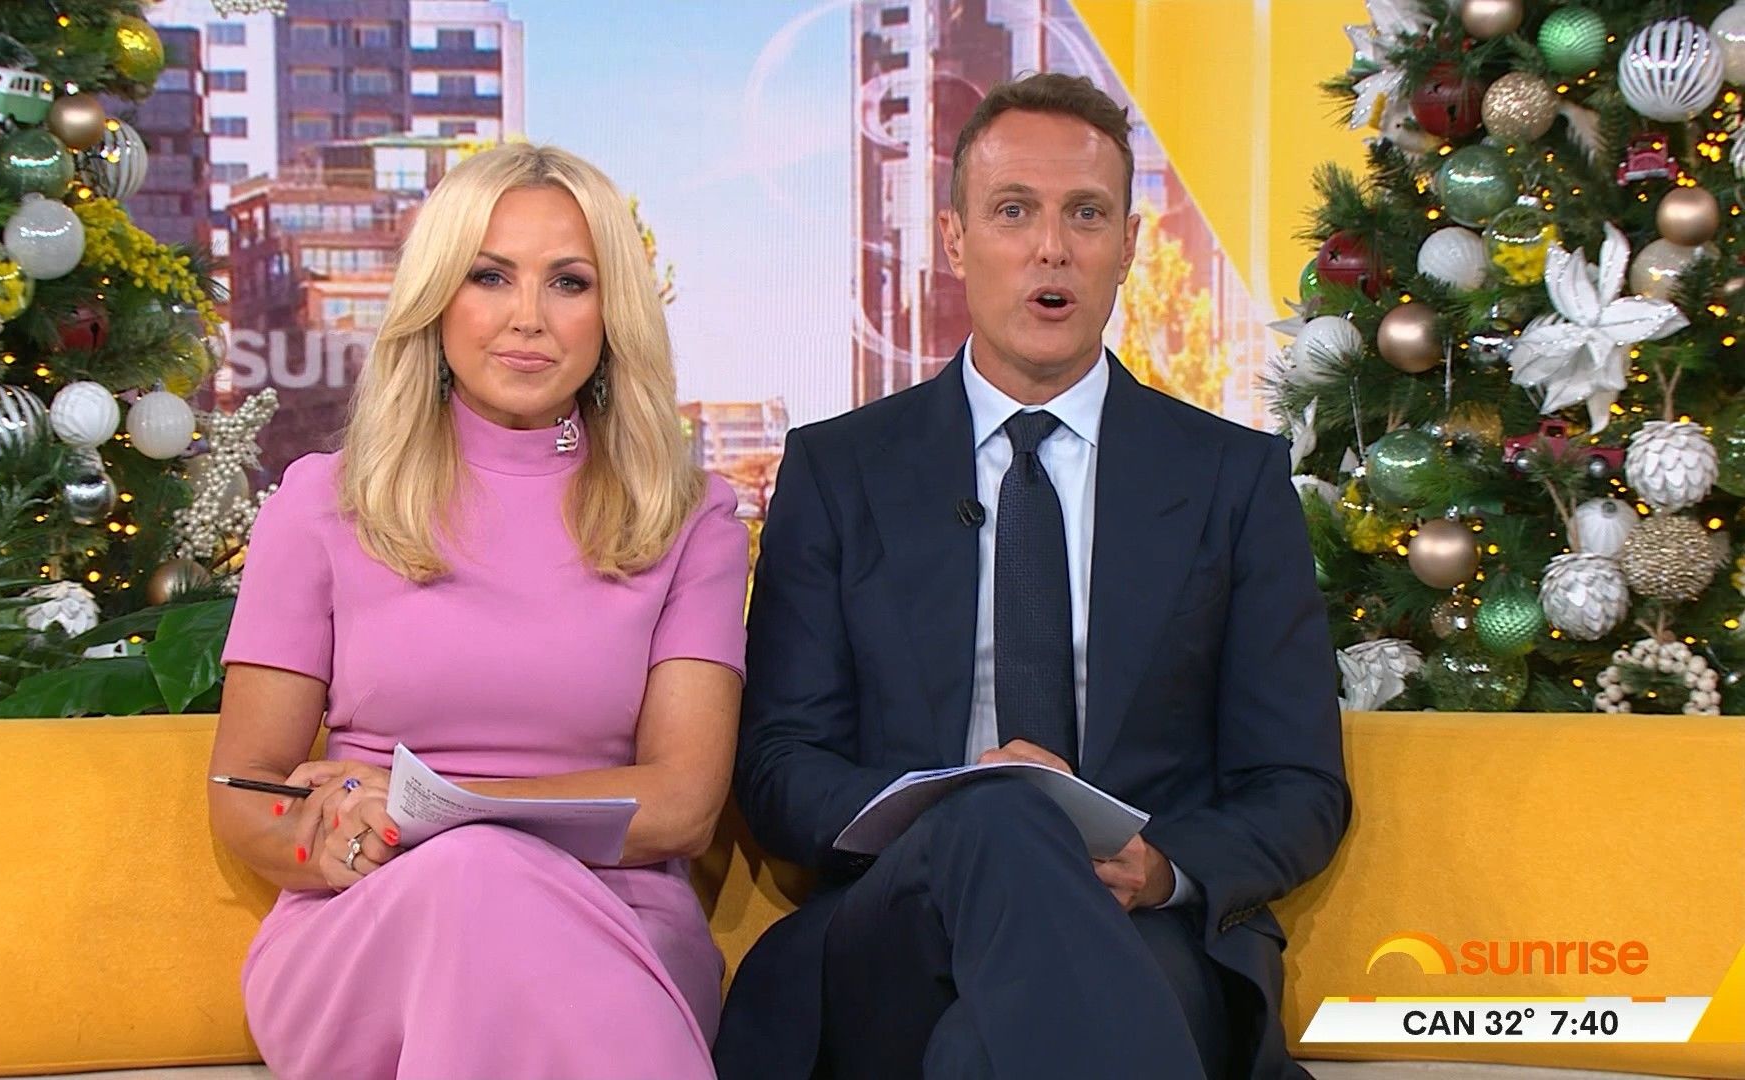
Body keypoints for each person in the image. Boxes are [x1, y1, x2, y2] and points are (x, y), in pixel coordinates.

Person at [715, 73, 1350, 1080]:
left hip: (1142, 930)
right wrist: (959, 822)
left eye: (1085, 214)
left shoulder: (1232, 480)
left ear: (1128, 246)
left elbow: (1298, 785)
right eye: (1014, 211)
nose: (1052, 248)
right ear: (955, 238)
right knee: (1003, 814)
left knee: (981, 1053)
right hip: (895, 927)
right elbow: (780, 766)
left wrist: (1162, 869)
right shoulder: (839, 471)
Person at [208, 143, 749, 1080]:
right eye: (489, 276)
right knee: (472, 876)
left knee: (481, 868)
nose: (527, 316)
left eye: (569, 282)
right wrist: (334, 841)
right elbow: (244, 786)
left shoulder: (689, 518)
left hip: (618, 924)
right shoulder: (323, 502)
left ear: (612, 312)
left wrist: (437, 812)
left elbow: (683, 806)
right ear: (437, 298)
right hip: (370, 924)